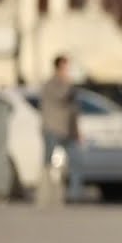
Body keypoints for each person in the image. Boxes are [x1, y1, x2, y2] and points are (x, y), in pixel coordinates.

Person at [40, 55, 84, 201]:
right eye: (66, 67)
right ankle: (46, 193)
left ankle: (74, 195)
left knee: (76, 161)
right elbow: (61, 96)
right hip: (53, 129)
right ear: (59, 68)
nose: (69, 71)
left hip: (69, 130)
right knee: (48, 162)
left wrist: (78, 131)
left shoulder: (70, 87)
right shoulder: (52, 84)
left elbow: (74, 111)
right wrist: (68, 83)